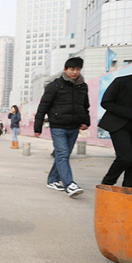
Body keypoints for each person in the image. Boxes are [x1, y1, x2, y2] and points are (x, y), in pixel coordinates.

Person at [34, 57, 90, 197]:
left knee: (63, 155)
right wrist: (37, 127)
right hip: (58, 126)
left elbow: (85, 106)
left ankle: (52, 180)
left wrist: (86, 121)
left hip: (74, 126)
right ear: (65, 69)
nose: (75, 72)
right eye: (72, 69)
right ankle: (69, 184)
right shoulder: (55, 85)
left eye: (77, 69)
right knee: (63, 154)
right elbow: (43, 106)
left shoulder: (82, 86)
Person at [98, 55, 132, 188]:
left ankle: (129, 190)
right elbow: (106, 102)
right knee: (126, 157)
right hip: (119, 124)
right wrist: (131, 114)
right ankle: (107, 183)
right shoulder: (121, 81)